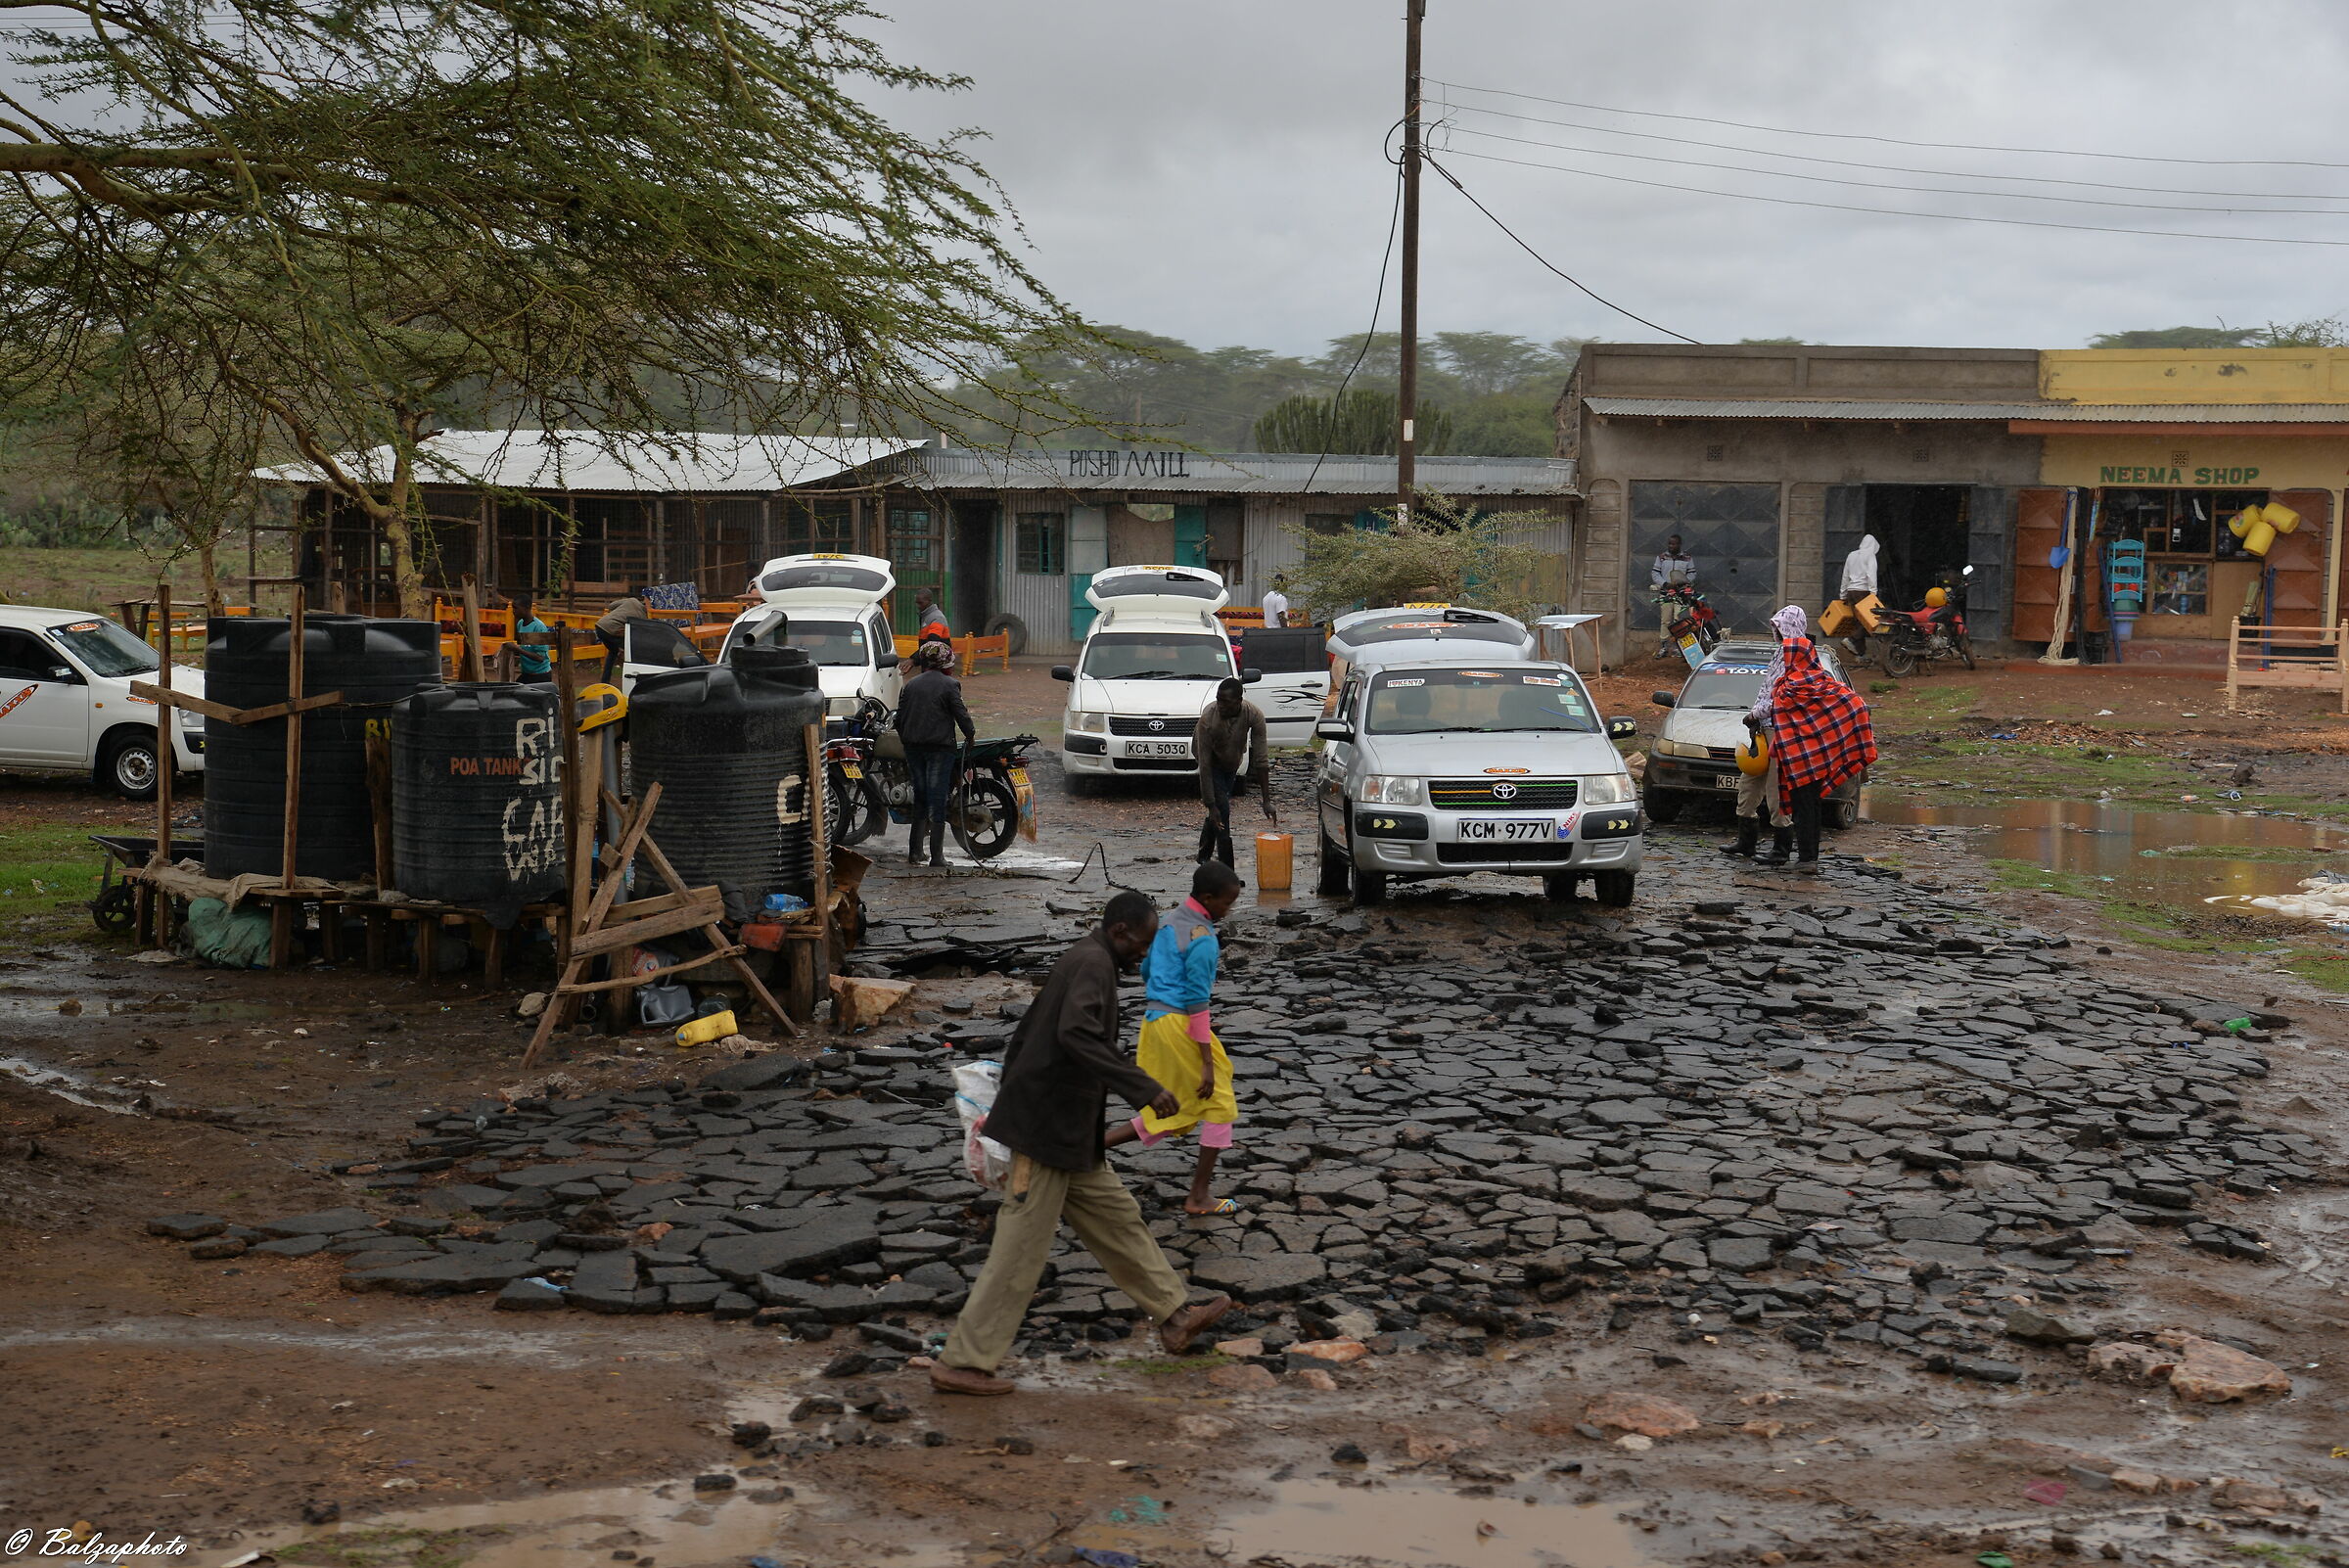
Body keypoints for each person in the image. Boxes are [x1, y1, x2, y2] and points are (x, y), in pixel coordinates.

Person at [932, 891, 1234, 1397]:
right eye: (1142, 941)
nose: (1144, 952)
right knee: (1019, 1250)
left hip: (1069, 1130)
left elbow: (1036, 1038)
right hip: (1045, 1132)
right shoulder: (1092, 964)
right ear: (1120, 932)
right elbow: (1077, 1033)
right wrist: (1143, 1088)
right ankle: (963, 1361)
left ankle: (1175, 1316)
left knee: (1119, 1219)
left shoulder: (1088, 960)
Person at [1104, 861, 1243, 1215]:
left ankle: (1087, 1147)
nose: (1230, 909)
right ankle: (1198, 1197)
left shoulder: (1166, 923)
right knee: (1219, 1102)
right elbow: (1198, 1002)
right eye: (1228, 902)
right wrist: (1207, 1063)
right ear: (1209, 898)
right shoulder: (1203, 939)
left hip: (1154, 1022)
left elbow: (1147, 968)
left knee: (1172, 1103)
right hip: (1182, 1023)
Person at [1767, 633, 1875, 877]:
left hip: (1797, 760)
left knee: (1803, 807)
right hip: (1820, 759)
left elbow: (1782, 723)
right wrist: (1839, 741)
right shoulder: (1827, 683)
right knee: (1812, 806)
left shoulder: (1786, 689)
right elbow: (1856, 703)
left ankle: (1807, 859)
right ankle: (1810, 857)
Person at [1723, 604, 1805, 865]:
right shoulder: (1779, 653)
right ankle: (1745, 842)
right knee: (1749, 784)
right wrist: (1756, 717)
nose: (1776, 632)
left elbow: (1782, 697)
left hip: (1781, 732)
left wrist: (1755, 714)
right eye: (1776, 627)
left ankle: (1781, 850)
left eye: (1780, 627)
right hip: (1763, 728)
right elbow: (1767, 690)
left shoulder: (1797, 657)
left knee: (1775, 789)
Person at [894, 637, 974, 867]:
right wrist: (970, 736)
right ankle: (937, 856)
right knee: (937, 799)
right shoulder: (950, 685)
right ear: (945, 663)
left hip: (913, 748)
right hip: (939, 749)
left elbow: (899, 719)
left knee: (920, 798)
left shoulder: (911, 685)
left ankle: (915, 852)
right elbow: (962, 716)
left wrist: (908, 740)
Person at [1192, 676, 1269, 867]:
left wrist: (1266, 800)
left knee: (1219, 809)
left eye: (1225, 702)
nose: (1220, 705)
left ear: (1239, 701)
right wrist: (1210, 804)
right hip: (1210, 760)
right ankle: (1228, 871)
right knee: (1222, 810)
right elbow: (1205, 767)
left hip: (1232, 761)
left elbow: (1261, 759)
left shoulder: (1253, 714)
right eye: (1218, 700)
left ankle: (1203, 856)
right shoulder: (1208, 719)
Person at [1650, 534, 1696, 657]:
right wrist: (1664, 584)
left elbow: (1692, 574)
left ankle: (1678, 646)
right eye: (1670, 543)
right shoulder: (1662, 557)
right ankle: (1664, 646)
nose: (1671, 546)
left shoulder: (1687, 558)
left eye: (1674, 544)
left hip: (1681, 595)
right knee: (1665, 620)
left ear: (1679, 544)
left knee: (1679, 620)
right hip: (1666, 594)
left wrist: (1684, 582)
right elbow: (1655, 574)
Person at [594, 587, 649, 680]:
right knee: (634, 652)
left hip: (599, 626)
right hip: (611, 631)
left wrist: (620, 612)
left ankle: (605, 680)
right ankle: (633, 677)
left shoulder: (632, 600)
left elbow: (611, 606)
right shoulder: (643, 617)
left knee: (613, 652)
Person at [507, 592, 552, 680]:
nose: (513, 611)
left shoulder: (539, 627)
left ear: (527, 607)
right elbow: (526, 647)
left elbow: (540, 658)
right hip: (527, 673)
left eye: (516, 608)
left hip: (540, 674)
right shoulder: (520, 624)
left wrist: (517, 649)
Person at [1838, 534, 1881, 603]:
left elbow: (1845, 576)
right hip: (1863, 592)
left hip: (1850, 591)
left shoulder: (1851, 555)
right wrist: (1873, 593)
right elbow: (1871, 575)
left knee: (1854, 613)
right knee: (1866, 613)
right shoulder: (1870, 555)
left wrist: (1843, 595)